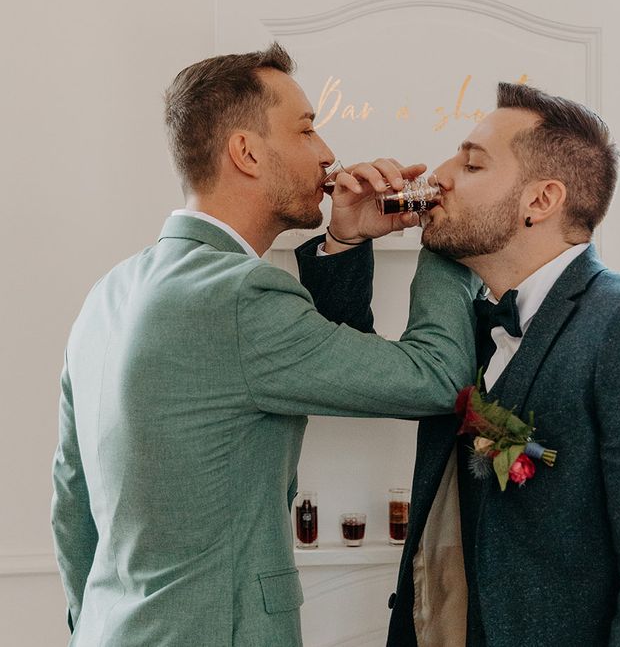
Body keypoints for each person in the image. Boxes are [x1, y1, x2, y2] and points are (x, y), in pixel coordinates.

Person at [50, 43, 479, 647]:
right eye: (306, 129)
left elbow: (72, 509)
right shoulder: (240, 296)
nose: (328, 153)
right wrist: (442, 237)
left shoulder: (110, 292)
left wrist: (345, 241)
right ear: (247, 153)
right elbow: (435, 377)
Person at [385, 83, 620, 646]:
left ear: (540, 201)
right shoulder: (461, 331)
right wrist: (344, 241)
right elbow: (359, 364)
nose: (439, 176)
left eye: (471, 164)